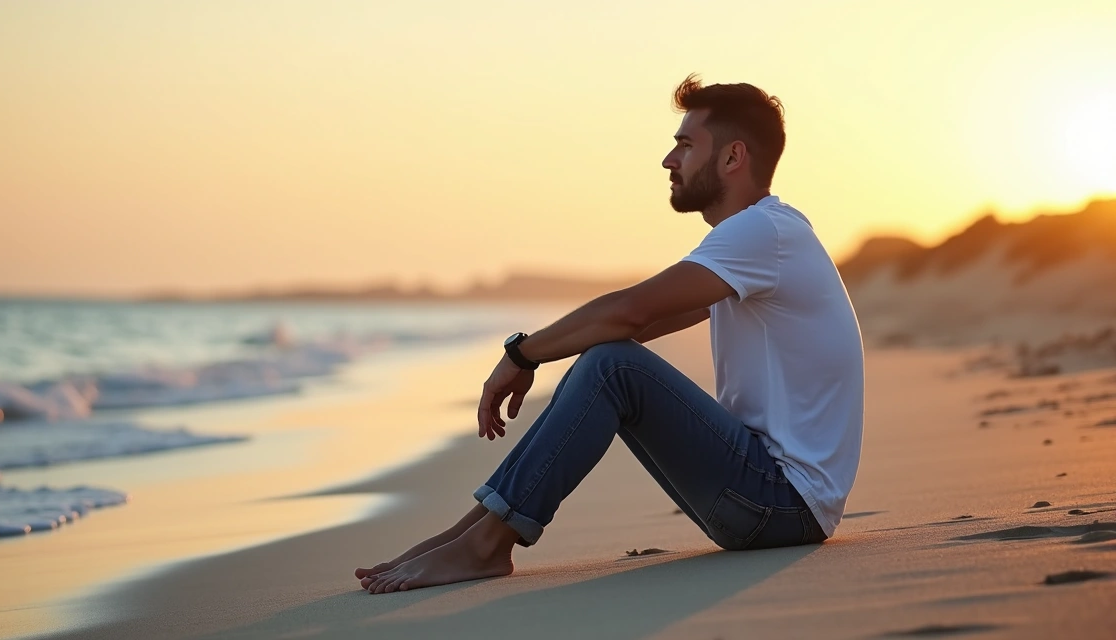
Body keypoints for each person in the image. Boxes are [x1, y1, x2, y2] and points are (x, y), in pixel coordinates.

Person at [356, 74, 865, 594]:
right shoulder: (763, 238)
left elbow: (627, 312)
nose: (670, 161)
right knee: (607, 358)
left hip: (779, 504)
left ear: (733, 158)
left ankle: (487, 545)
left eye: (686, 146)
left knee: (612, 365)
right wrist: (556, 352)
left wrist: (522, 354)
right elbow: (646, 319)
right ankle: (471, 533)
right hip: (770, 502)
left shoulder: (763, 232)